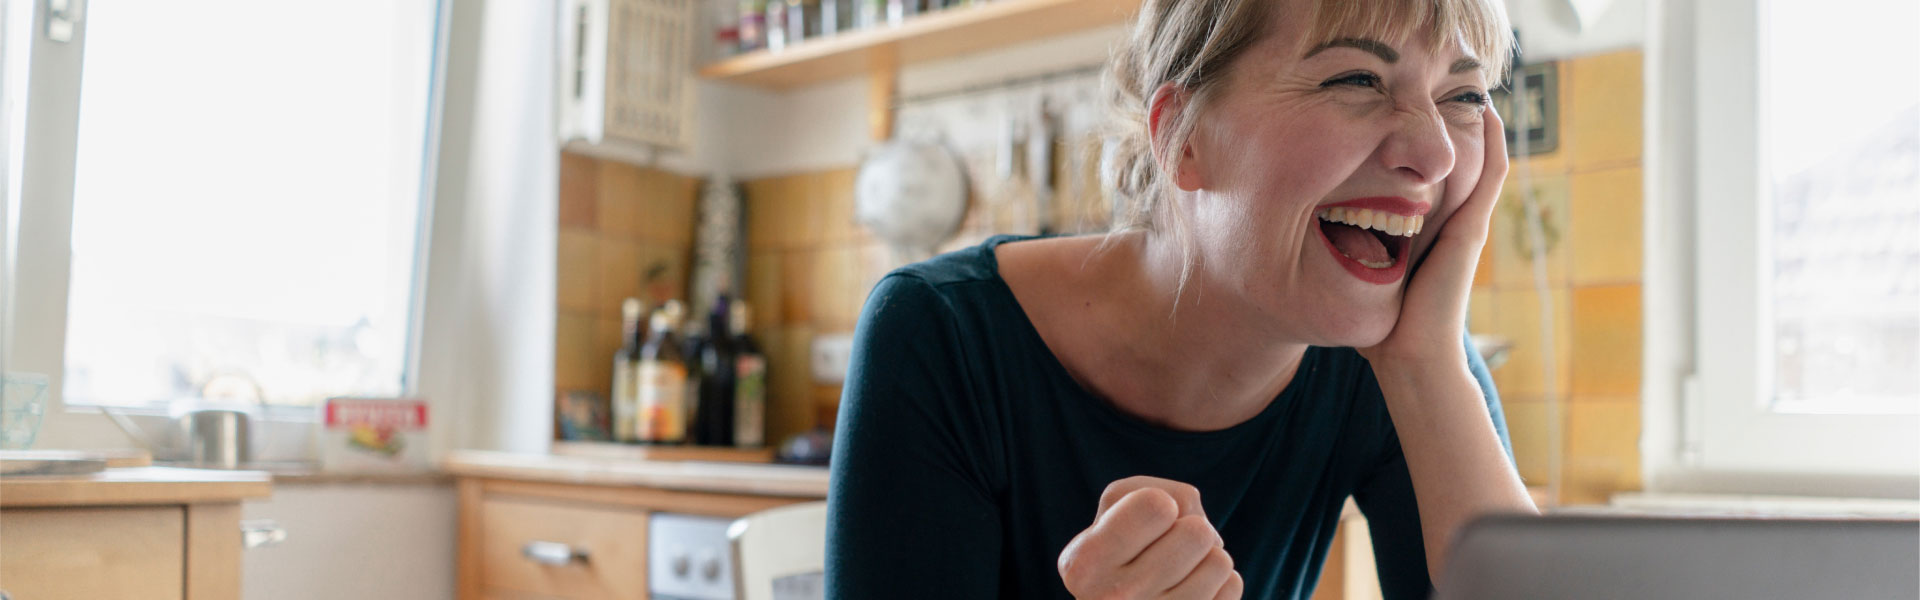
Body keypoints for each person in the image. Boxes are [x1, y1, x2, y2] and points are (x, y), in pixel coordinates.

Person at [825, 0, 1538, 596]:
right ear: (1183, 137)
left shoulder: (1401, 353)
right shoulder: (940, 333)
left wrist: (1427, 368)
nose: (1437, 153)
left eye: (1464, 97)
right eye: (1356, 79)